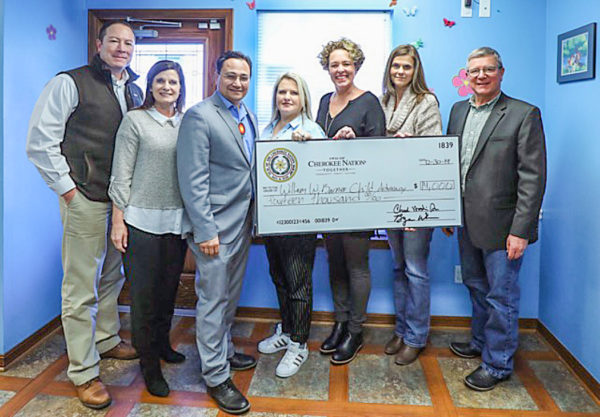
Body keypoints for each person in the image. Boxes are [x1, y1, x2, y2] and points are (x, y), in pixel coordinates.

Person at [25, 21, 142, 409]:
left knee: (112, 274)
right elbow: (40, 142)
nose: (121, 48)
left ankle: (107, 339)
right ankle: (83, 371)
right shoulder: (69, 83)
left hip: (119, 203)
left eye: (128, 43)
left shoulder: (134, 88)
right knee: (80, 288)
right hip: (85, 199)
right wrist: (69, 192)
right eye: (114, 41)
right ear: (99, 43)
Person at [447, 47, 546, 391]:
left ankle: (498, 363)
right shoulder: (458, 111)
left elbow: (532, 177)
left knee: (501, 296)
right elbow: (449, 166)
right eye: (474, 70)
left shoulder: (523, 114)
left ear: (501, 73)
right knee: (476, 287)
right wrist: (447, 211)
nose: (481, 76)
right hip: (465, 219)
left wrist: (521, 230)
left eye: (488, 69)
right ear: (466, 75)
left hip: (504, 227)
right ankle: (479, 341)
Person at [177, 51, 258, 415]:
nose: (237, 82)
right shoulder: (199, 116)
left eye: (243, 77)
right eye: (230, 76)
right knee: (212, 301)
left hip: (242, 224)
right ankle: (215, 376)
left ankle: (223, 353)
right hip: (214, 229)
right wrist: (205, 229)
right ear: (216, 76)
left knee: (229, 295)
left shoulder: (248, 114)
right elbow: (192, 180)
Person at [109, 60, 188, 397]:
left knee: (168, 291)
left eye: (173, 81)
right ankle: (149, 365)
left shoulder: (188, 123)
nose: (167, 86)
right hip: (140, 221)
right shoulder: (135, 120)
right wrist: (117, 219)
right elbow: (121, 173)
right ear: (151, 86)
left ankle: (162, 345)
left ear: (181, 87)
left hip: (177, 222)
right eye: (160, 80)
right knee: (144, 298)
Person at [315, 38, 386, 365]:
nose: (340, 69)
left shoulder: (369, 102)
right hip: (328, 200)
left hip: (359, 200)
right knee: (335, 263)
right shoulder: (323, 101)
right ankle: (341, 323)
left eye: (346, 64)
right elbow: (318, 145)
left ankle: (356, 331)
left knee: (357, 267)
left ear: (356, 66)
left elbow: (380, 151)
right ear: (327, 68)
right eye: (334, 64)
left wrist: (356, 141)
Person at [379, 45, 443, 365]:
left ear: (415, 70)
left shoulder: (426, 101)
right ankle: (402, 329)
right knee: (398, 266)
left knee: (416, 269)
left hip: (418, 195)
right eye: (395, 66)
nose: (400, 72)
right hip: (390, 193)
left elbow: (433, 150)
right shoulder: (384, 100)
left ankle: (416, 336)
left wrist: (411, 144)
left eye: (406, 66)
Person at [257, 73, 325, 378]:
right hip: (272, 220)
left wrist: (308, 146)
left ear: (303, 99)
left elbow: (323, 174)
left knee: (299, 284)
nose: (286, 97)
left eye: (293, 93)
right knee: (280, 279)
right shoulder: (269, 128)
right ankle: (286, 330)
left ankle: (299, 344)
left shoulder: (311, 131)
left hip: (298, 223)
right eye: (282, 92)